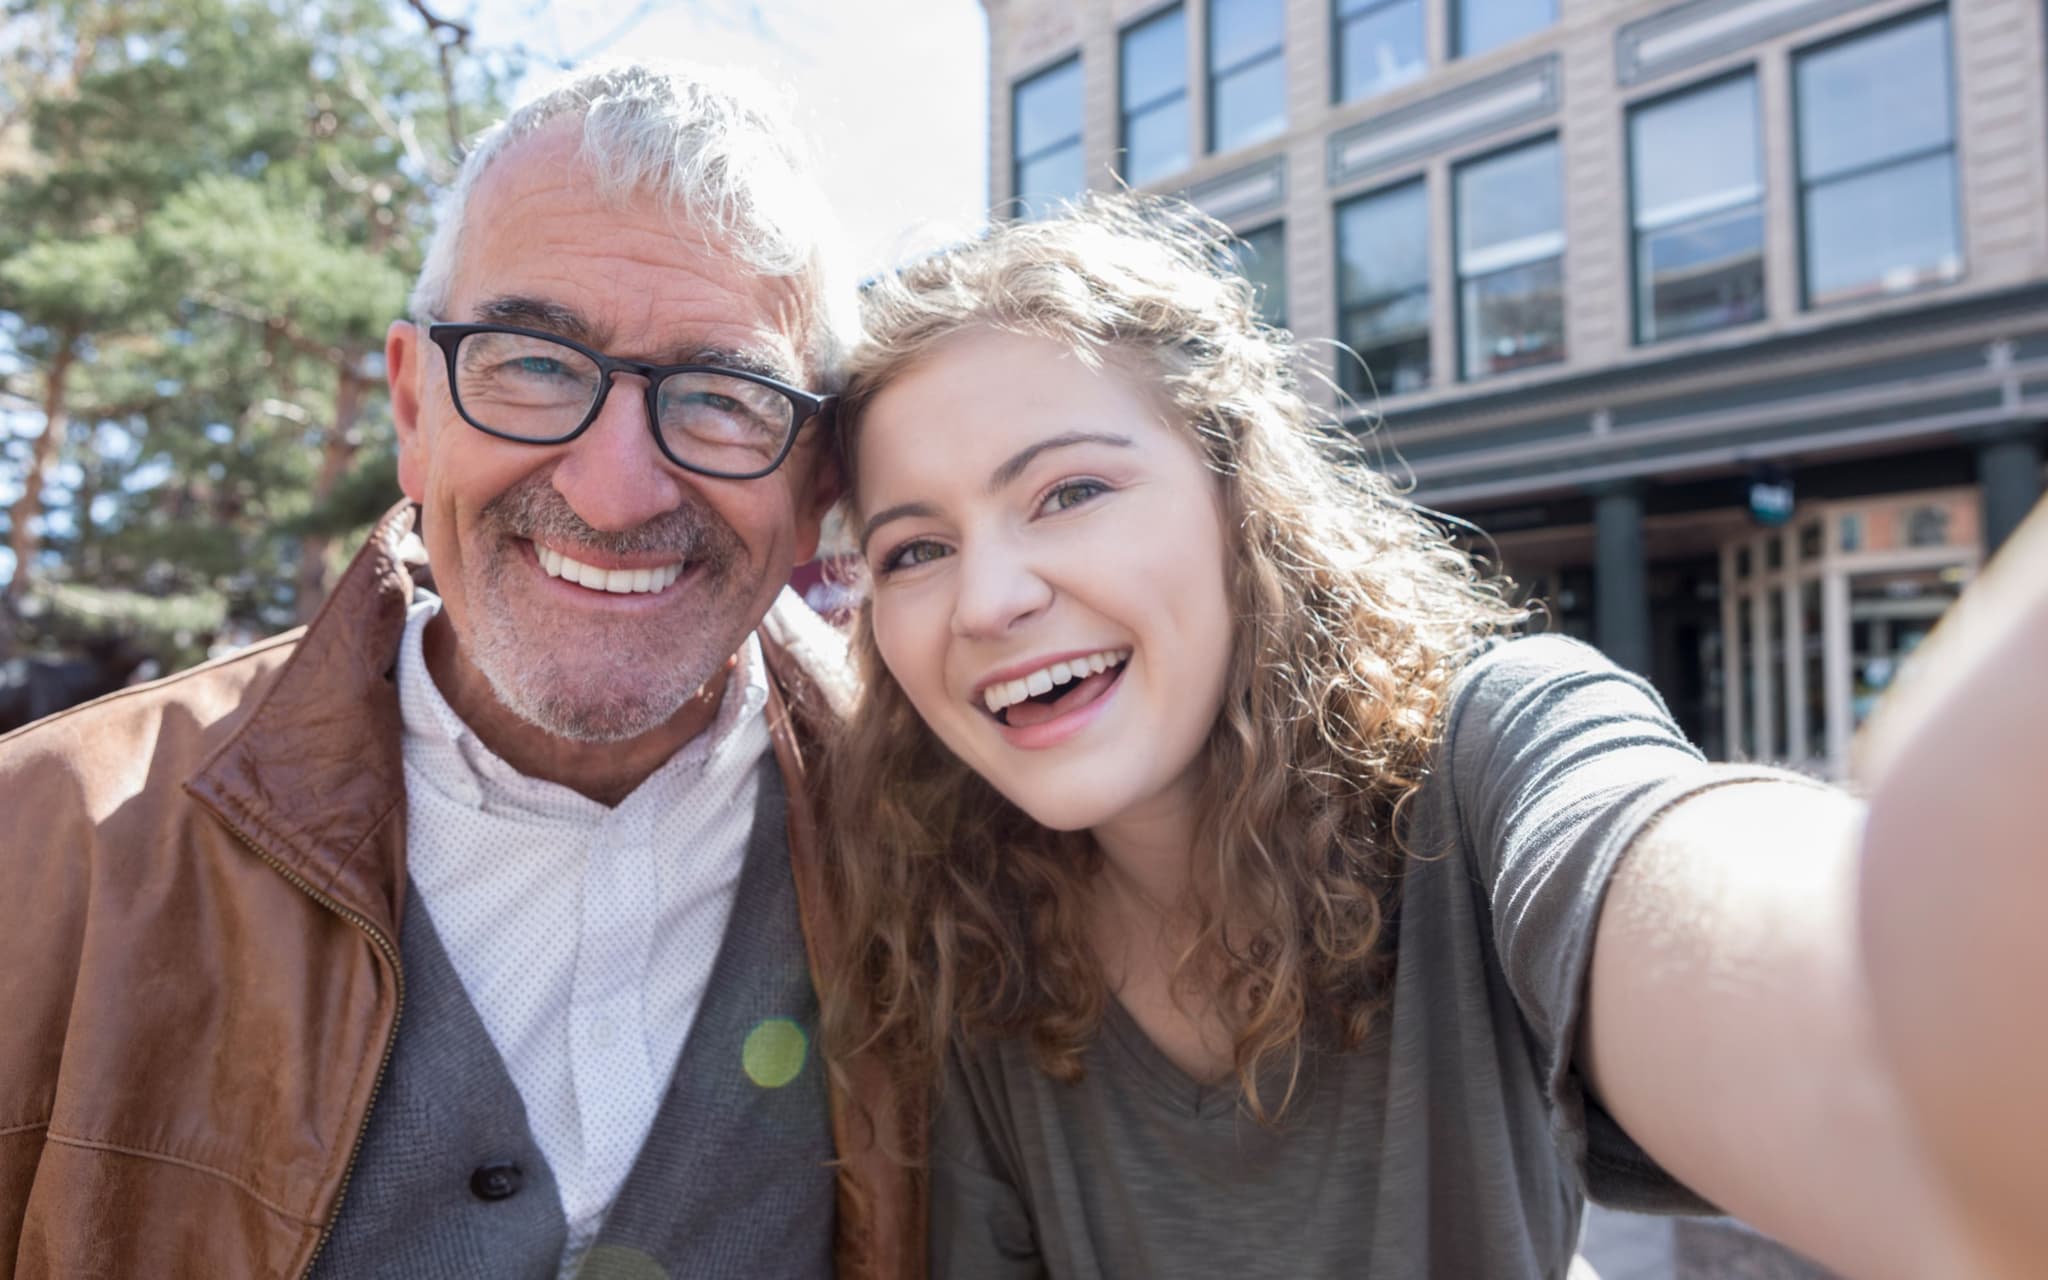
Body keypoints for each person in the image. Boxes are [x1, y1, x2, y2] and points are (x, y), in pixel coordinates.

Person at [818, 194, 2047, 1279]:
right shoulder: (951, 925)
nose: (987, 600)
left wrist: (1924, 957)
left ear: (1235, 498)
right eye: (913, 548)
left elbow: (1777, 961)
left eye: (1070, 491)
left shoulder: (1488, 759)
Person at [0, 63, 922, 1280]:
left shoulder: (947, 847)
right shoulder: (45, 845)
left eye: (721, 397)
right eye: (533, 364)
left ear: (815, 488)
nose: (612, 489)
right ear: (411, 409)